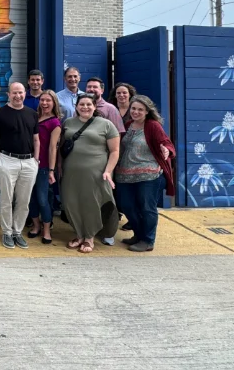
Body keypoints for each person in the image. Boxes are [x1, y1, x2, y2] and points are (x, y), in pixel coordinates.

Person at [59, 93, 120, 254]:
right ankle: (79, 234)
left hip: (97, 173)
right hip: (71, 172)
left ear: (94, 106)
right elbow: (61, 147)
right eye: (82, 104)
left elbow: (114, 151)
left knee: (91, 203)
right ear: (76, 107)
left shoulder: (106, 124)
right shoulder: (68, 122)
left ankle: (89, 237)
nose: (85, 107)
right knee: (72, 202)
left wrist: (108, 171)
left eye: (88, 104)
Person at [115, 95, 175, 252]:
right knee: (126, 205)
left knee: (147, 207)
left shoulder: (153, 126)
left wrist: (166, 151)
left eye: (140, 109)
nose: (136, 112)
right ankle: (139, 234)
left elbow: (167, 144)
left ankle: (148, 240)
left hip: (148, 175)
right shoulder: (127, 125)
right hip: (125, 174)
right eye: (133, 108)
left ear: (147, 111)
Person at [0, 82, 40, 250]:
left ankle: (17, 232)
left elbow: (36, 139)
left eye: (21, 92)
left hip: (28, 162)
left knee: (24, 201)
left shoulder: (32, 114)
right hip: (7, 160)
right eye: (14, 93)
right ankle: (7, 232)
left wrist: (36, 160)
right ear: (8, 95)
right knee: (6, 200)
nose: (18, 96)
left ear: (25, 94)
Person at [27, 90, 62, 244]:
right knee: (30, 198)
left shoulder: (55, 123)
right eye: (42, 100)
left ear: (54, 103)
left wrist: (51, 170)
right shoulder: (34, 117)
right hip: (29, 164)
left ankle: (46, 230)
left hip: (44, 166)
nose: (45, 103)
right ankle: (36, 226)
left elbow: (53, 147)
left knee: (42, 199)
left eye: (48, 100)